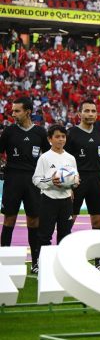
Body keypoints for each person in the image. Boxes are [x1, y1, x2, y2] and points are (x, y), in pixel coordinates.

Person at [65, 100, 100, 272]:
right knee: (69, 219)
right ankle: (64, 258)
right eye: (86, 111)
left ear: (97, 114)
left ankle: (99, 261)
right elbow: (63, 159)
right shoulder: (71, 134)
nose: (90, 114)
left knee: (97, 221)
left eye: (93, 111)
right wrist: (68, 184)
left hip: (96, 179)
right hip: (76, 180)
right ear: (79, 114)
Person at [0, 97, 49, 271]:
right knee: (9, 219)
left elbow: (48, 156)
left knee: (34, 220)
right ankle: (3, 261)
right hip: (12, 179)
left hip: (33, 181)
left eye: (17, 111)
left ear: (27, 111)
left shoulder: (40, 133)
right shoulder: (8, 131)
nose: (13, 114)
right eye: (12, 111)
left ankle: (36, 262)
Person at [31, 124, 79, 273]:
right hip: (48, 200)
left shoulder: (70, 158)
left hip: (65, 201)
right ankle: (40, 264)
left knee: (65, 235)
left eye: (63, 136)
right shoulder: (44, 158)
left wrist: (75, 182)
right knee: (45, 235)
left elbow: (76, 177)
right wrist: (51, 181)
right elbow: (36, 179)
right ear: (49, 139)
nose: (60, 139)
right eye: (57, 136)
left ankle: (61, 265)